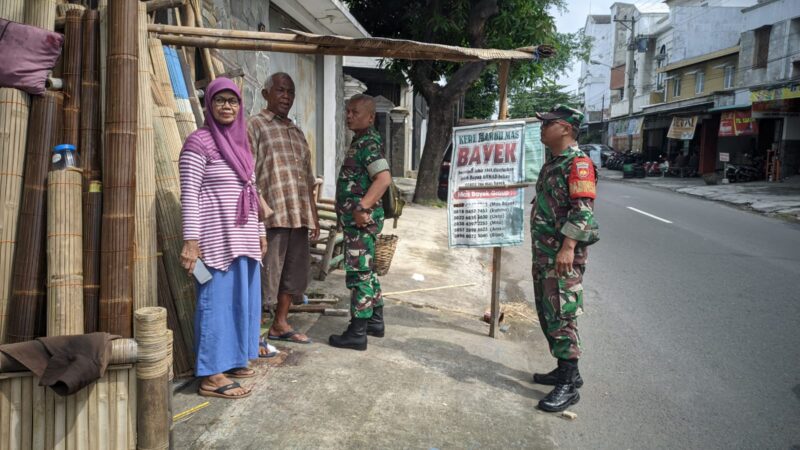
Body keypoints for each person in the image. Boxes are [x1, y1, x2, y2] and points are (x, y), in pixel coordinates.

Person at [179, 77, 267, 399]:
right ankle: (211, 376)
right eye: (220, 100)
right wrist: (191, 241)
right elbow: (189, 195)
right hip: (214, 243)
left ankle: (233, 359)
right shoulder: (197, 143)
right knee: (213, 304)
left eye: (233, 101)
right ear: (209, 104)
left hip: (243, 240)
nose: (227, 106)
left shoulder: (242, 144)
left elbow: (253, 192)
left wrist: (259, 231)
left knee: (241, 303)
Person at [530, 105, 599, 412]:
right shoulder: (553, 162)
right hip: (545, 254)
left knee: (562, 317)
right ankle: (565, 369)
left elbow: (583, 211)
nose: (542, 128)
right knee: (548, 315)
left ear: (566, 129)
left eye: (549, 123)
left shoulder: (579, 164)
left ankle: (568, 385)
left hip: (561, 257)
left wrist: (568, 248)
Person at [248, 72, 319, 345]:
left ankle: (280, 323)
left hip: (298, 214)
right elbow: (247, 172)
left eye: (290, 92)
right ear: (266, 94)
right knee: (267, 274)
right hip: (271, 214)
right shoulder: (255, 125)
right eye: (280, 91)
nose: (286, 97)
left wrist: (313, 214)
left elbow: (308, 177)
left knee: (293, 273)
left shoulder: (296, 131)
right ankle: (257, 332)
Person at [329, 94, 392, 351]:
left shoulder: (368, 144)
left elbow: (383, 179)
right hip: (359, 222)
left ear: (370, 117)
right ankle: (375, 321)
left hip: (361, 223)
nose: (349, 116)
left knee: (359, 274)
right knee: (367, 270)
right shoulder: (362, 140)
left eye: (355, 112)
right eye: (347, 111)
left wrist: (362, 206)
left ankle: (357, 332)